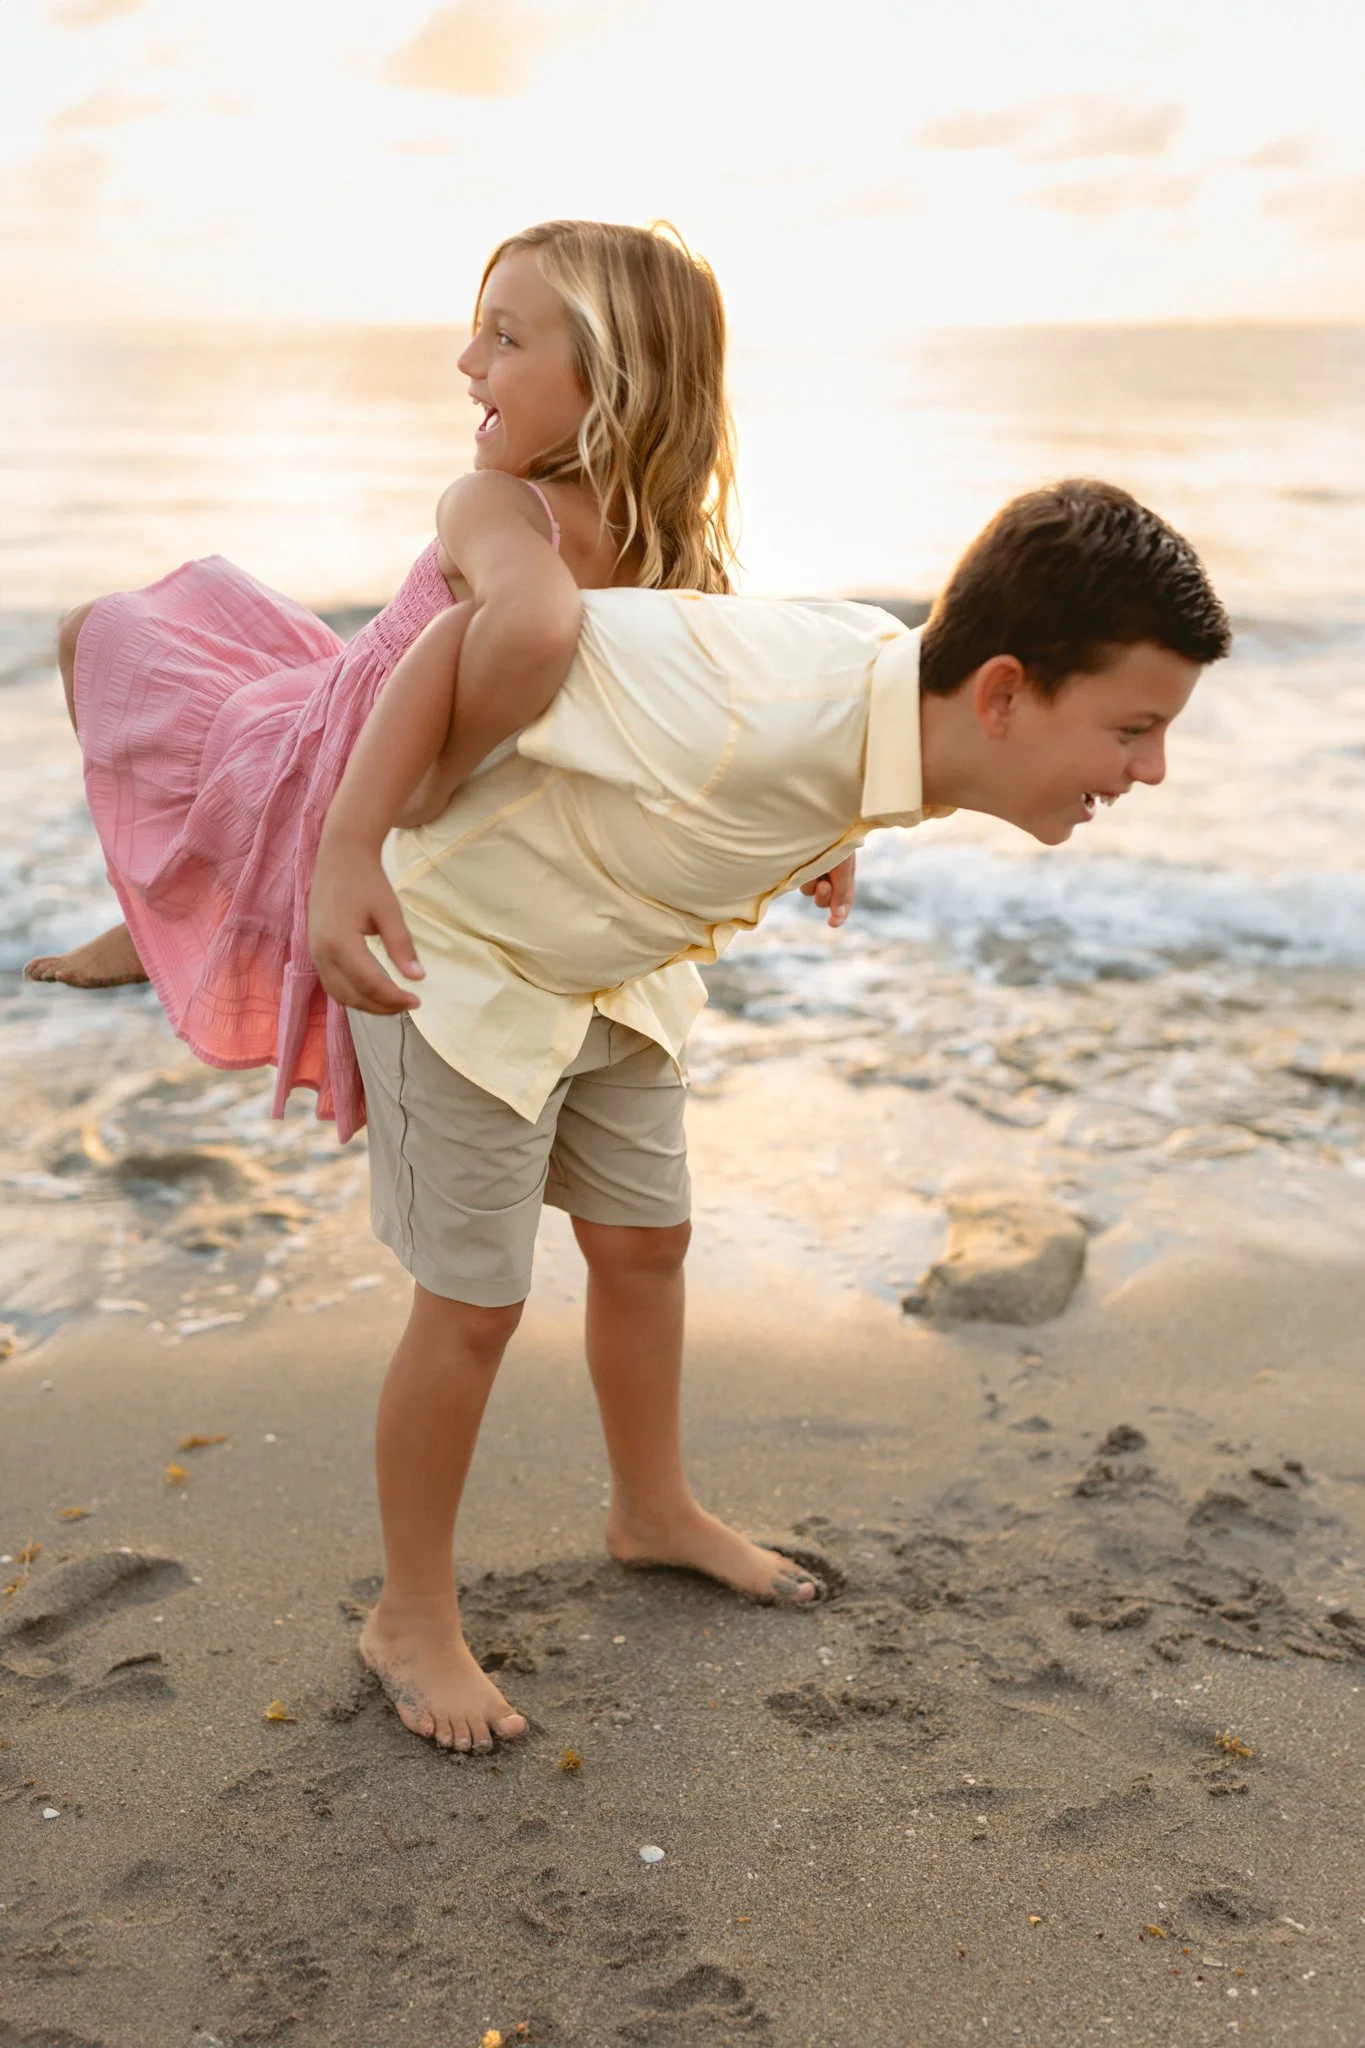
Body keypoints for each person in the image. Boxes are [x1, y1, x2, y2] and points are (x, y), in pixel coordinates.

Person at [307, 477, 1231, 1752]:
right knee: (475, 1305)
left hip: (614, 960)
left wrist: (816, 835)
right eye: (1134, 728)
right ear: (1007, 692)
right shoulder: (754, 707)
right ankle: (411, 1614)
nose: (1153, 768)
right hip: (461, 949)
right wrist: (348, 845)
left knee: (646, 1242)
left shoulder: (893, 716)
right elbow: (463, 644)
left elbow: (794, 763)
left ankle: (653, 1507)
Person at [24, 218, 854, 1141]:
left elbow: (710, 684)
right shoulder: (498, 505)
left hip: (399, 759)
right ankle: (149, 921)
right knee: (105, 647)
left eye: (503, 337)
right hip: (341, 732)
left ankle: (158, 917)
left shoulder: (669, 551)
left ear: (614, 379)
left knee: (115, 667)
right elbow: (573, 638)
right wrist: (439, 771)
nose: (466, 360)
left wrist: (818, 826)